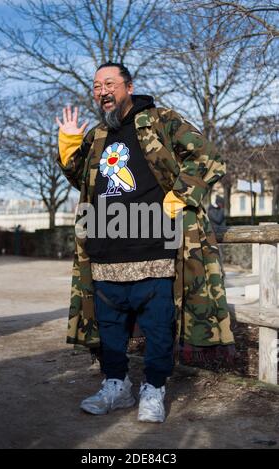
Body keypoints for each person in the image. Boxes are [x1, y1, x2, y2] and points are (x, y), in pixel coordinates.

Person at [56, 62, 235, 423]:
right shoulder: (98, 135)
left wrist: (180, 195)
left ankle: (153, 389)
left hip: (154, 250)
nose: (102, 91)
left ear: (128, 86)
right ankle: (116, 386)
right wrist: (70, 140)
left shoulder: (159, 120)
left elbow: (209, 158)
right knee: (109, 333)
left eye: (109, 83)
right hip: (105, 253)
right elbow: (82, 178)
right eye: (96, 86)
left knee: (157, 330)